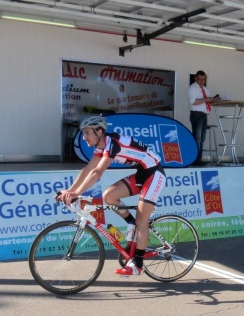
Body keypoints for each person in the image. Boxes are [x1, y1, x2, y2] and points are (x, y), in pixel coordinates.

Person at [57, 116, 166, 276]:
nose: (84, 137)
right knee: (109, 196)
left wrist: (77, 193)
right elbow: (88, 169)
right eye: (84, 133)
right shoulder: (101, 146)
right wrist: (70, 191)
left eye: (87, 133)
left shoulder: (112, 144)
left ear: (99, 132)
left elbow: (97, 172)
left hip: (154, 173)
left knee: (142, 220)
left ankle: (138, 264)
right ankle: (132, 224)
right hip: (141, 173)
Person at [188, 70, 217, 166]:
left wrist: (213, 100)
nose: (202, 81)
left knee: (202, 139)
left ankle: (199, 159)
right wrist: (206, 99)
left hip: (204, 115)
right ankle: (195, 159)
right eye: (200, 79)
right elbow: (193, 101)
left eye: (204, 79)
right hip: (196, 115)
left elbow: (208, 101)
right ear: (196, 78)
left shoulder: (205, 89)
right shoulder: (192, 88)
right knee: (197, 138)